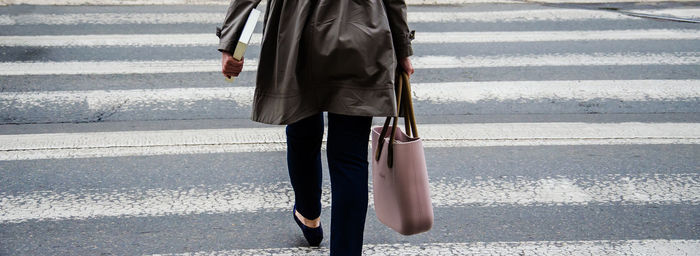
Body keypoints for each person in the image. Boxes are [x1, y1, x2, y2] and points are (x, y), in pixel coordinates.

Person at [216, 0, 414, 254]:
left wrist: (231, 43)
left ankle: (308, 214)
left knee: (301, 126)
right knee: (349, 157)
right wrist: (403, 48)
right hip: (361, 27)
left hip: (297, 31)